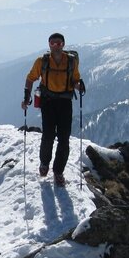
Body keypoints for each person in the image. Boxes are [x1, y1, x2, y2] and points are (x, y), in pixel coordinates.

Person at [22, 32, 85, 186]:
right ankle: (44, 164)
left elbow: (75, 79)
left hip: (64, 103)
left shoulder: (71, 61)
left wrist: (79, 86)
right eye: (53, 43)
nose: (56, 46)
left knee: (64, 138)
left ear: (63, 45)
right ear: (49, 44)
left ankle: (58, 171)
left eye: (59, 43)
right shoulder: (42, 61)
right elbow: (30, 78)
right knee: (48, 135)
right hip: (48, 102)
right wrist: (26, 98)